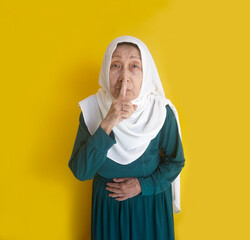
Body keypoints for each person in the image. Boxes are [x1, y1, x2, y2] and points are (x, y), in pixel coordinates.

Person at [68, 36, 185, 240]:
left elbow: (176, 161)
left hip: (150, 209)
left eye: (134, 66)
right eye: (116, 65)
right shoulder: (92, 110)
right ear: (106, 70)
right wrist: (108, 122)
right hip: (108, 213)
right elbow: (81, 172)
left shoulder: (159, 112)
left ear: (145, 73)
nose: (124, 77)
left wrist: (142, 186)